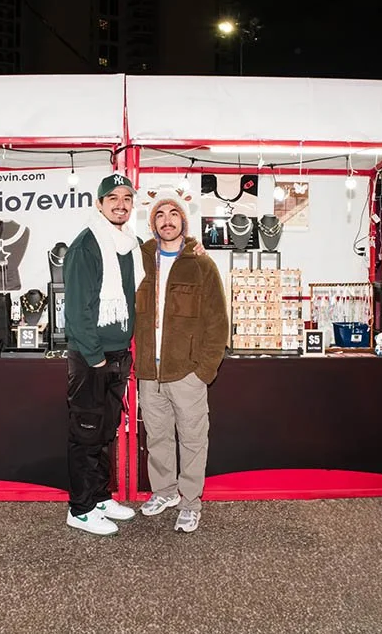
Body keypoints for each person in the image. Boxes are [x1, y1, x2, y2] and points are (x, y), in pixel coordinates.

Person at [134, 188, 229, 533]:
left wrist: (203, 371)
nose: (167, 220)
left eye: (173, 214)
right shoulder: (139, 259)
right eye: (160, 215)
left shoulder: (201, 264)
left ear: (184, 222)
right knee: (157, 437)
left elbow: (218, 322)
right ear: (153, 223)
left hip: (186, 372)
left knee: (192, 439)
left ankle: (190, 503)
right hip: (149, 371)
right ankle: (164, 492)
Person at [62, 172, 143, 536]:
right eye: (113, 198)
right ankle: (79, 509)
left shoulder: (129, 244)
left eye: (126, 198)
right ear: (99, 203)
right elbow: (77, 309)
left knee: (106, 431)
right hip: (92, 358)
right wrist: (96, 358)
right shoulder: (86, 246)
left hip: (118, 355)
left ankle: (99, 497)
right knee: (86, 433)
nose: (121, 204)